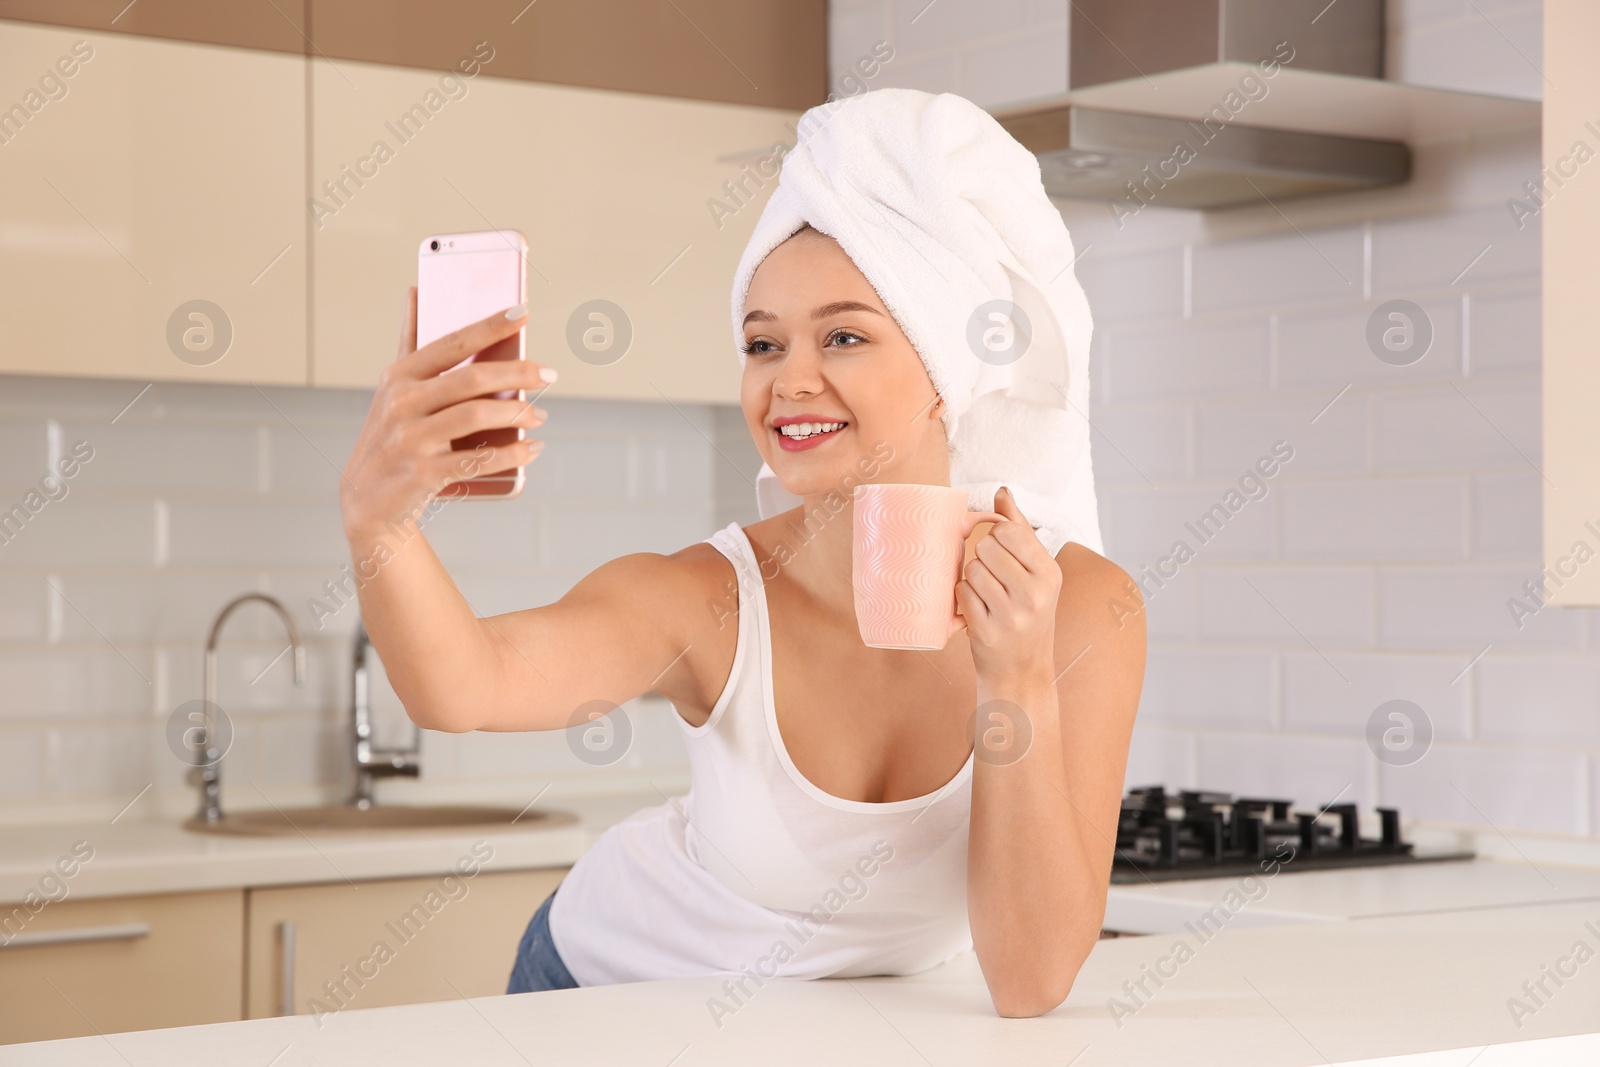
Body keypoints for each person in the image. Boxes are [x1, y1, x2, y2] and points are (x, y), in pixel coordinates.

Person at [338, 88, 1145, 1019]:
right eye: (763, 343)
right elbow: (463, 687)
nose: (790, 380)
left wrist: (1017, 680)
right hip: (600, 985)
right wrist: (377, 523)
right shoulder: (707, 598)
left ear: (945, 374)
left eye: (843, 334)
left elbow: (1030, 977)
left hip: (806, 1026)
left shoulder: (1082, 608)